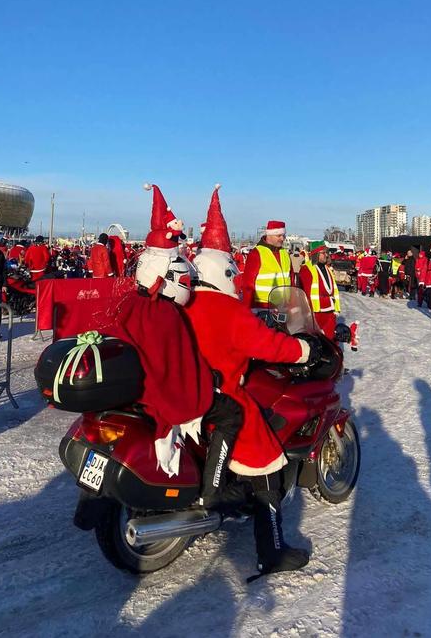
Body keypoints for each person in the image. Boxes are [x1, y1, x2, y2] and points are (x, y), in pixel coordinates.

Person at [186, 185, 313, 577]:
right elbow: (267, 345)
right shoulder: (227, 308)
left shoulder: (189, 302)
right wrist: (304, 352)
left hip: (194, 389)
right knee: (266, 463)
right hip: (227, 390)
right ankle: (271, 550)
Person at [99, 182, 242, 506]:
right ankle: (213, 490)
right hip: (162, 398)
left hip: (137, 390)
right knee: (230, 413)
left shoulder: (131, 302)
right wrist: (209, 381)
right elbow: (180, 371)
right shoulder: (166, 314)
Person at [241, 220, 294, 309]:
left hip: (283, 307)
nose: (282, 238)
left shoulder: (285, 253)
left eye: (283, 235)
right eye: (279, 235)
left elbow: (291, 280)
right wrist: (247, 310)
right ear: (269, 235)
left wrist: (293, 305)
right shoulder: (257, 253)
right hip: (262, 308)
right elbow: (248, 285)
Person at [298, 240, 341, 339]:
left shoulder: (328, 269)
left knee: (330, 342)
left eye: (326, 252)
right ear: (316, 254)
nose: (326, 255)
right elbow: (304, 293)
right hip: (315, 313)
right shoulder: (306, 269)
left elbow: (333, 290)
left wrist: (336, 308)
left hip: (330, 312)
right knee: (316, 342)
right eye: (323, 253)